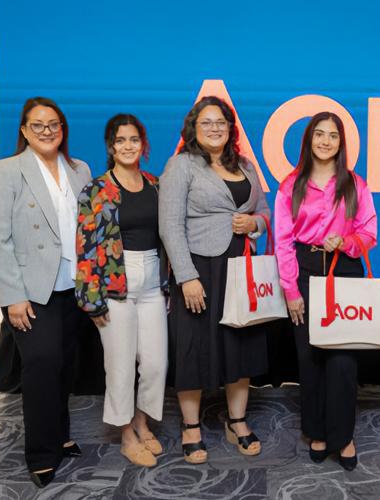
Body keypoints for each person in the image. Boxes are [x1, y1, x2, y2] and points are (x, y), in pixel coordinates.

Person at [0, 97, 91, 488]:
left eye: (55, 125)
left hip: (72, 288)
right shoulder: (6, 171)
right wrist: (12, 296)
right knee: (40, 367)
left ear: (63, 129)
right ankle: (41, 454)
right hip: (31, 292)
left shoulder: (80, 169)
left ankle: (60, 435)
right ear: (25, 130)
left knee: (63, 366)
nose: (48, 131)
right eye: (39, 125)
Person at [159, 96, 271, 464]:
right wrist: (187, 277)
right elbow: (170, 225)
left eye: (221, 122)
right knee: (192, 345)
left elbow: (265, 212)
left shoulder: (247, 166)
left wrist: (255, 224)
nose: (214, 128)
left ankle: (236, 420)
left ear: (230, 127)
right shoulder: (181, 166)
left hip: (239, 267)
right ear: (194, 127)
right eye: (206, 122)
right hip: (200, 270)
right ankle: (190, 427)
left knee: (239, 342)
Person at [274, 112, 378, 471]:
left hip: (343, 270)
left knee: (344, 360)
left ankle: (343, 435)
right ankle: (316, 430)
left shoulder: (355, 184)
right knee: (310, 357)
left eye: (332, 135)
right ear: (309, 140)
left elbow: (369, 233)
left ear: (341, 142)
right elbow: (282, 241)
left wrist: (347, 241)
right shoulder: (291, 184)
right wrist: (291, 290)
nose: (325, 141)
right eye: (319, 134)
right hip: (303, 272)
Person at [75, 114, 168, 468]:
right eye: (121, 140)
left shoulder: (156, 184)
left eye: (134, 140)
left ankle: (143, 420)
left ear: (143, 145)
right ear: (110, 146)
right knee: (120, 365)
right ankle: (126, 433)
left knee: (157, 363)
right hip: (115, 281)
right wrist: (91, 297)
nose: (128, 146)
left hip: (152, 280)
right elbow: (85, 246)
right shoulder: (97, 189)